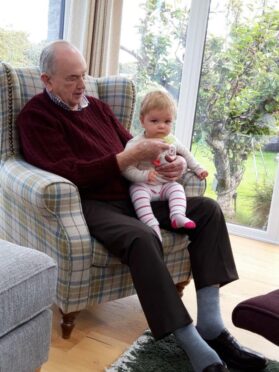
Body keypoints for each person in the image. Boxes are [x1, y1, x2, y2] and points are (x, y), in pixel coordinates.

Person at [16, 40, 267, 372]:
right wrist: (128, 158)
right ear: (47, 80)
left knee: (207, 210)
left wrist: (169, 165)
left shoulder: (97, 107)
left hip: (135, 192)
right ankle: (188, 339)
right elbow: (69, 173)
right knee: (141, 236)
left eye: (84, 76)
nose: (82, 85)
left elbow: (136, 146)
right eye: (71, 79)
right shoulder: (36, 117)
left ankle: (211, 324)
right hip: (91, 204)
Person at [122, 90, 208, 241]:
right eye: (154, 121)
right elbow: (126, 169)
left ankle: (177, 215)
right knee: (136, 193)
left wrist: (198, 168)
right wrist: (144, 176)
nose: (161, 126)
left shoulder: (171, 140)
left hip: (165, 185)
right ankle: (151, 223)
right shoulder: (136, 144)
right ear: (143, 121)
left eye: (167, 122)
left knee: (177, 188)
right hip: (144, 185)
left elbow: (186, 154)